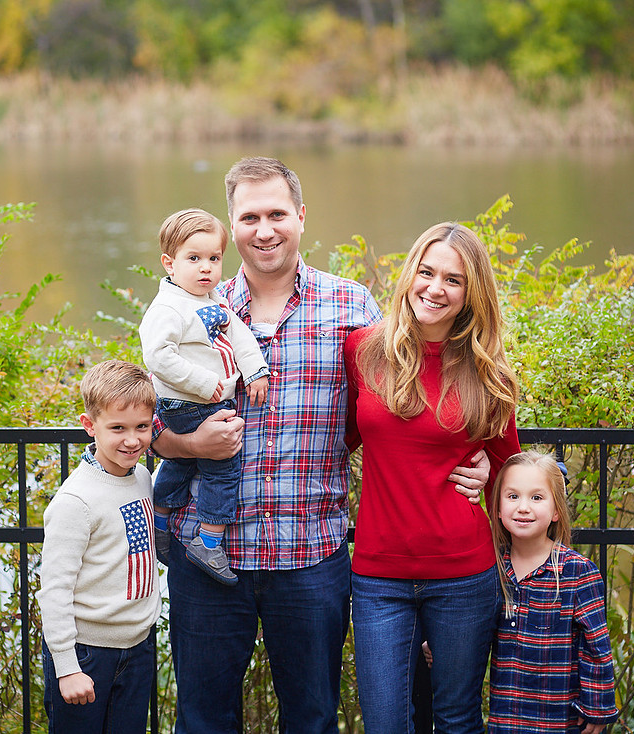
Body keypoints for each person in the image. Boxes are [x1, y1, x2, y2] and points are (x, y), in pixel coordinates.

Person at [151, 157, 493, 733]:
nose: (265, 230)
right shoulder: (186, 308)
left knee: (313, 719)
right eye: (250, 216)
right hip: (208, 553)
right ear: (231, 225)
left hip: (310, 557)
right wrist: (189, 447)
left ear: (302, 217)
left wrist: (470, 457)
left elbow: (406, 405)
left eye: (277, 214)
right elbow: (142, 424)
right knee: (203, 720)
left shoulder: (351, 307)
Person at [344, 221, 522, 733]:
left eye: (453, 280)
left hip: (464, 575)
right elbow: (342, 439)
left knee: (457, 720)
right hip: (378, 575)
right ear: (410, 275)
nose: (435, 288)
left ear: (471, 295)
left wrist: (490, 469)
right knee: (385, 722)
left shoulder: (489, 373)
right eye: (426, 272)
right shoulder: (363, 351)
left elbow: (509, 470)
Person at [140, 208, 269, 585]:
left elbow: (240, 335)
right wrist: (203, 382)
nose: (206, 268)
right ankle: (208, 541)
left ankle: (160, 517)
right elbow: (157, 356)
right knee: (224, 464)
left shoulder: (210, 298)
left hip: (202, 399)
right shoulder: (168, 307)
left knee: (183, 463)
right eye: (193, 259)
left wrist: (255, 370)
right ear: (169, 263)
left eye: (213, 258)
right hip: (188, 401)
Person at [37, 359, 161, 734]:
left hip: (138, 645)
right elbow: (55, 589)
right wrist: (67, 666)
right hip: (86, 653)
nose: (132, 440)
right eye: (117, 428)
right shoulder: (76, 500)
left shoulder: (141, 476)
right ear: (90, 426)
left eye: (142, 427)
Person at [487, 451, 618, 733]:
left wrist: (597, 708)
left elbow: (596, 647)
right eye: (513, 497)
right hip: (505, 719)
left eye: (536, 497)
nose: (523, 507)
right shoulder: (491, 568)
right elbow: (467, 624)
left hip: (559, 720)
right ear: (497, 507)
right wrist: (442, 644)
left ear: (556, 510)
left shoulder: (577, 572)